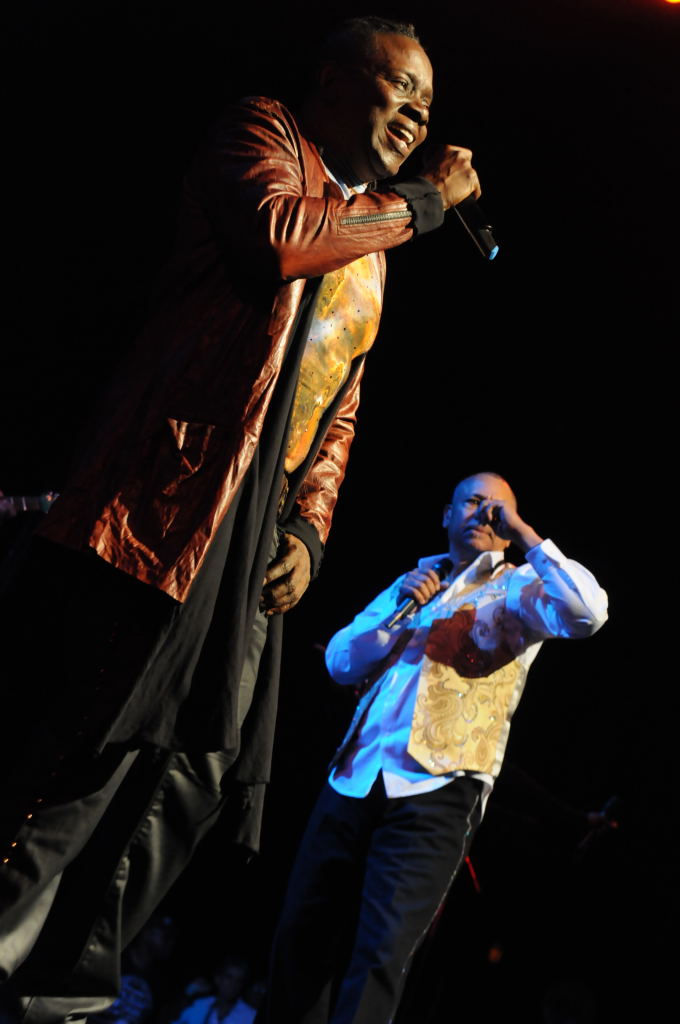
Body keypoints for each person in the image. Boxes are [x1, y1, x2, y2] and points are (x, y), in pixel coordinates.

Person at [0, 14, 483, 1024]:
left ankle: (62, 997)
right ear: (334, 82)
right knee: (98, 746)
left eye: (428, 104)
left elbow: (338, 404)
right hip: (171, 501)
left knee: (188, 778)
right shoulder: (261, 135)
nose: (416, 115)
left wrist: (308, 530)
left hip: (256, 530)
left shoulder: (375, 238)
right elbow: (280, 241)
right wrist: (424, 203)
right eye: (400, 88)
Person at [259, 471, 608, 1024]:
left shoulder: (522, 587)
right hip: (354, 778)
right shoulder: (418, 580)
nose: (484, 514)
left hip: (438, 789)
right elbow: (340, 661)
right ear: (447, 514)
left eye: (498, 508)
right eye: (473, 502)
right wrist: (397, 612)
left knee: (380, 954)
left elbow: (588, 612)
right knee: (300, 936)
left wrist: (524, 534)